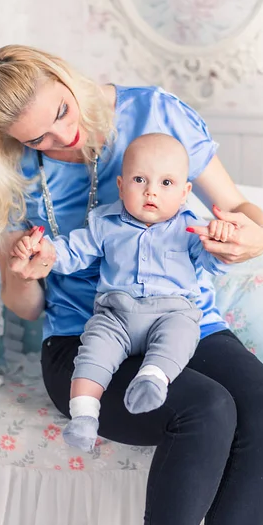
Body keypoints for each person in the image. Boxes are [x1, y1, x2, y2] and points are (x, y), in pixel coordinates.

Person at [0, 44, 263, 525]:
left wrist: (254, 238)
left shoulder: (155, 113)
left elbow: (242, 209)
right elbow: (25, 306)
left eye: (62, 113)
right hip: (85, 340)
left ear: (64, 76)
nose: (63, 138)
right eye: (38, 139)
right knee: (206, 409)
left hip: (184, 322)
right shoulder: (7, 168)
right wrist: (25, 273)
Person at [12, 133, 231, 452]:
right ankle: (84, 417)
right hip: (116, 315)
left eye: (166, 183)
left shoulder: (190, 228)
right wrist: (46, 250)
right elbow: (74, 250)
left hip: (170, 314)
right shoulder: (104, 222)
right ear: (120, 185)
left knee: (182, 335)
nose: (151, 191)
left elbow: (214, 262)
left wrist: (222, 243)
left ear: (185, 192)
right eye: (139, 179)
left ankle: (154, 378)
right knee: (93, 350)